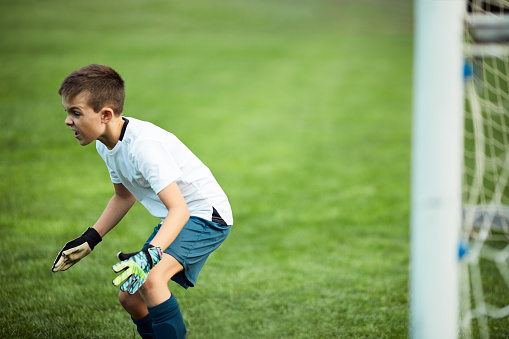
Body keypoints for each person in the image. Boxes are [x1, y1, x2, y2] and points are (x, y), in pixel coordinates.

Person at [51, 64, 233, 339]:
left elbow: (180, 209)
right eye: (67, 112)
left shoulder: (143, 147)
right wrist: (91, 238)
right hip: (182, 216)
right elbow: (124, 195)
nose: (68, 121)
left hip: (207, 217)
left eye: (75, 113)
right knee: (130, 297)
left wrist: (151, 253)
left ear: (106, 115)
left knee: (150, 280)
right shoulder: (106, 143)